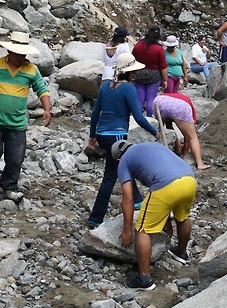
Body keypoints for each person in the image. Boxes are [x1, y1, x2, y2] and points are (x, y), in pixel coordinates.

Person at [0, 31, 50, 202]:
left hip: (17, 124)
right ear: (9, 52)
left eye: (23, 54)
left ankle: (9, 186)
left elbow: (42, 90)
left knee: (15, 158)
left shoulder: (31, 70)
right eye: (17, 54)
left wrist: (47, 109)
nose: (20, 57)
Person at [86, 52, 159, 229]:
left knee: (124, 166)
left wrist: (92, 135)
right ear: (129, 73)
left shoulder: (105, 86)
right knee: (110, 176)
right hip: (117, 136)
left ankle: (138, 201)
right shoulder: (128, 89)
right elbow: (139, 117)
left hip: (103, 135)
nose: (136, 75)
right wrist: (155, 132)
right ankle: (96, 218)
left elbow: (96, 112)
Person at [113, 140, 197, 290]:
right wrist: (166, 221)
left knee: (143, 229)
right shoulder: (151, 145)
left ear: (118, 159)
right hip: (189, 178)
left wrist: (127, 230)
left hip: (166, 185)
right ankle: (181, 253)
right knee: (182, 217)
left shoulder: (124, 161)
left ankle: (144, 279)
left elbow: (128, 198)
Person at [154, 91, 210, 170]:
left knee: (162, 130)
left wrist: (177, 142)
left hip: (159, 101)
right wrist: (185, 152)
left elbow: (169, 127)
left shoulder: (173, 96)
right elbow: (188, 138)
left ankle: (162, 157)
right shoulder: (189, 108)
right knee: (192, 136)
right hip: (180, 106)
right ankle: (200, 164)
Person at [130, 27, 168, 117]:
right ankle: (150, 118)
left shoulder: (138, 45)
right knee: (151, 98)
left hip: (139, 74)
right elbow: (163, 66)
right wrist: (165, 80)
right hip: (154, 75)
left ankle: (137, 118)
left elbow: (132, 61)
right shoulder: (159, 49)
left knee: (139, 99)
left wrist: (131, 74)